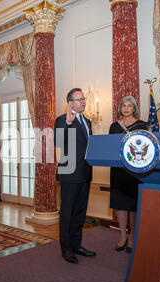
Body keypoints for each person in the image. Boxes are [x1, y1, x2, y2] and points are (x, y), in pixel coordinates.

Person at [54, 88, 96, 264]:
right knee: (67, 213)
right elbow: (58, 140)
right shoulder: (62, 120)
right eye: (79, 99)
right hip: (69, 174)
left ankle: (77, 244)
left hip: (85, 174)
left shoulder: (87, 121)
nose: (83, 102)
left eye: (84, 99)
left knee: (80, 212)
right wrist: (69, 124)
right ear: (70, 103)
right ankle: (66, 249)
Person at [109, 96, 147, 253]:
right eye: (123, 105)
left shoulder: (142, 125)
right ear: (120, 108)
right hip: (118, 170)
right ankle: (122, 236)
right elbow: (110, 146)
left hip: (134, 171)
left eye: (129, 106)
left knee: (133, 205)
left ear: (134, 108)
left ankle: (132, 237)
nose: (126, 108)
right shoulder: (114, 127)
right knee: (120, 205)